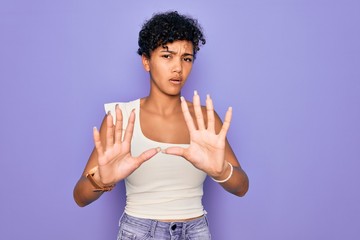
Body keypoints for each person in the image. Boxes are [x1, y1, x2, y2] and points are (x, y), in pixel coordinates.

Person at [73, 11, 249, 239]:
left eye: (186, 58)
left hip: (196, 232)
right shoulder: (121, 118)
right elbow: (80, 197)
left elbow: (241, 186)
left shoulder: (205, 119)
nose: (178, 68)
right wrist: (101, 180)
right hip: (139, 232)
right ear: (146, 61)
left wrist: (221, 171)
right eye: (167, 56)